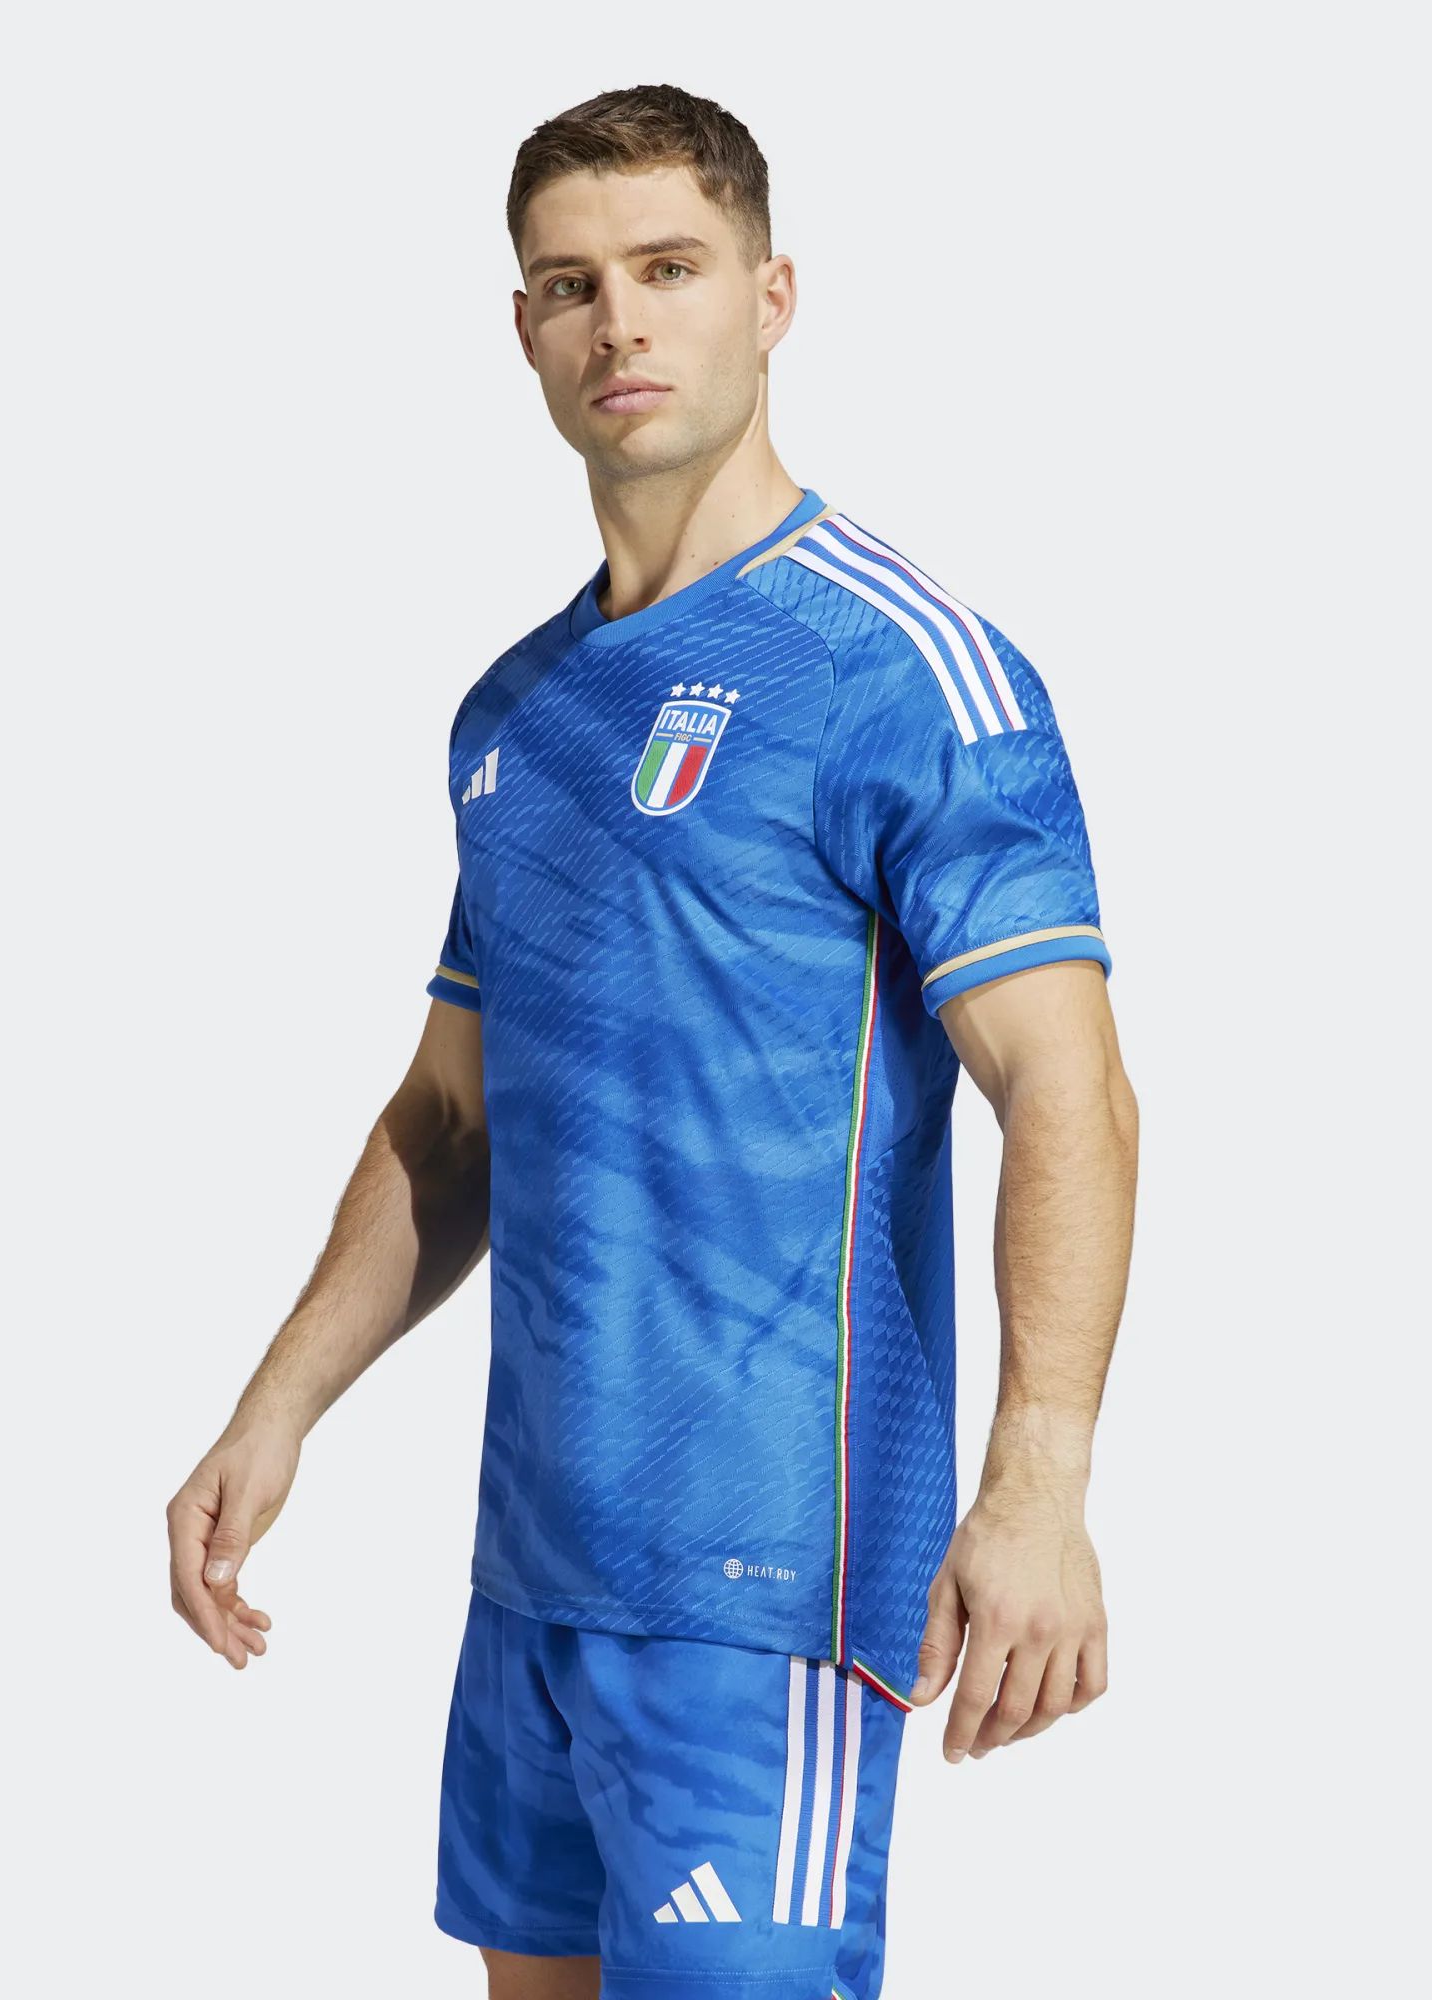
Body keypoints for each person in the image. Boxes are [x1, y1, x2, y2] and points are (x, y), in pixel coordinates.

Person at [166, 82, 1138, 2000]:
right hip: (532, 1573)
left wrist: (1038, 1484)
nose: (619, 322)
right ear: (524, 328)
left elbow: (1071, 1087)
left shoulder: (901, 668)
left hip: (763, 1583)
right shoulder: (515, 714)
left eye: (669, 268)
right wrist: (275, 1409)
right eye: (570, 284)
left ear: (772, 296)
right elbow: (455, 1123)